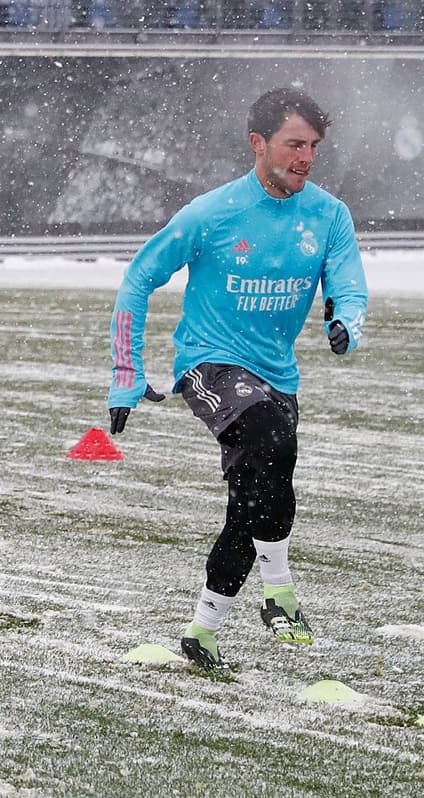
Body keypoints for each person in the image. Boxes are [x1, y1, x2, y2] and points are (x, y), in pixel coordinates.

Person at [106, 88, 367, 674]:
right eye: (294, 144)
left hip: (278, 374)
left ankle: (205, 628)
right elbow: (138, 279)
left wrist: (347, 320)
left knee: (256, 500)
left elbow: (349, 284)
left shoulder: (328, 215)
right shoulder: (211, 213)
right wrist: (127, 372)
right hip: (208, 364)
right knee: (270, 437)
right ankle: (279, 593)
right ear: (259, 144)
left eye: (314, 146)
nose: (306, 157)